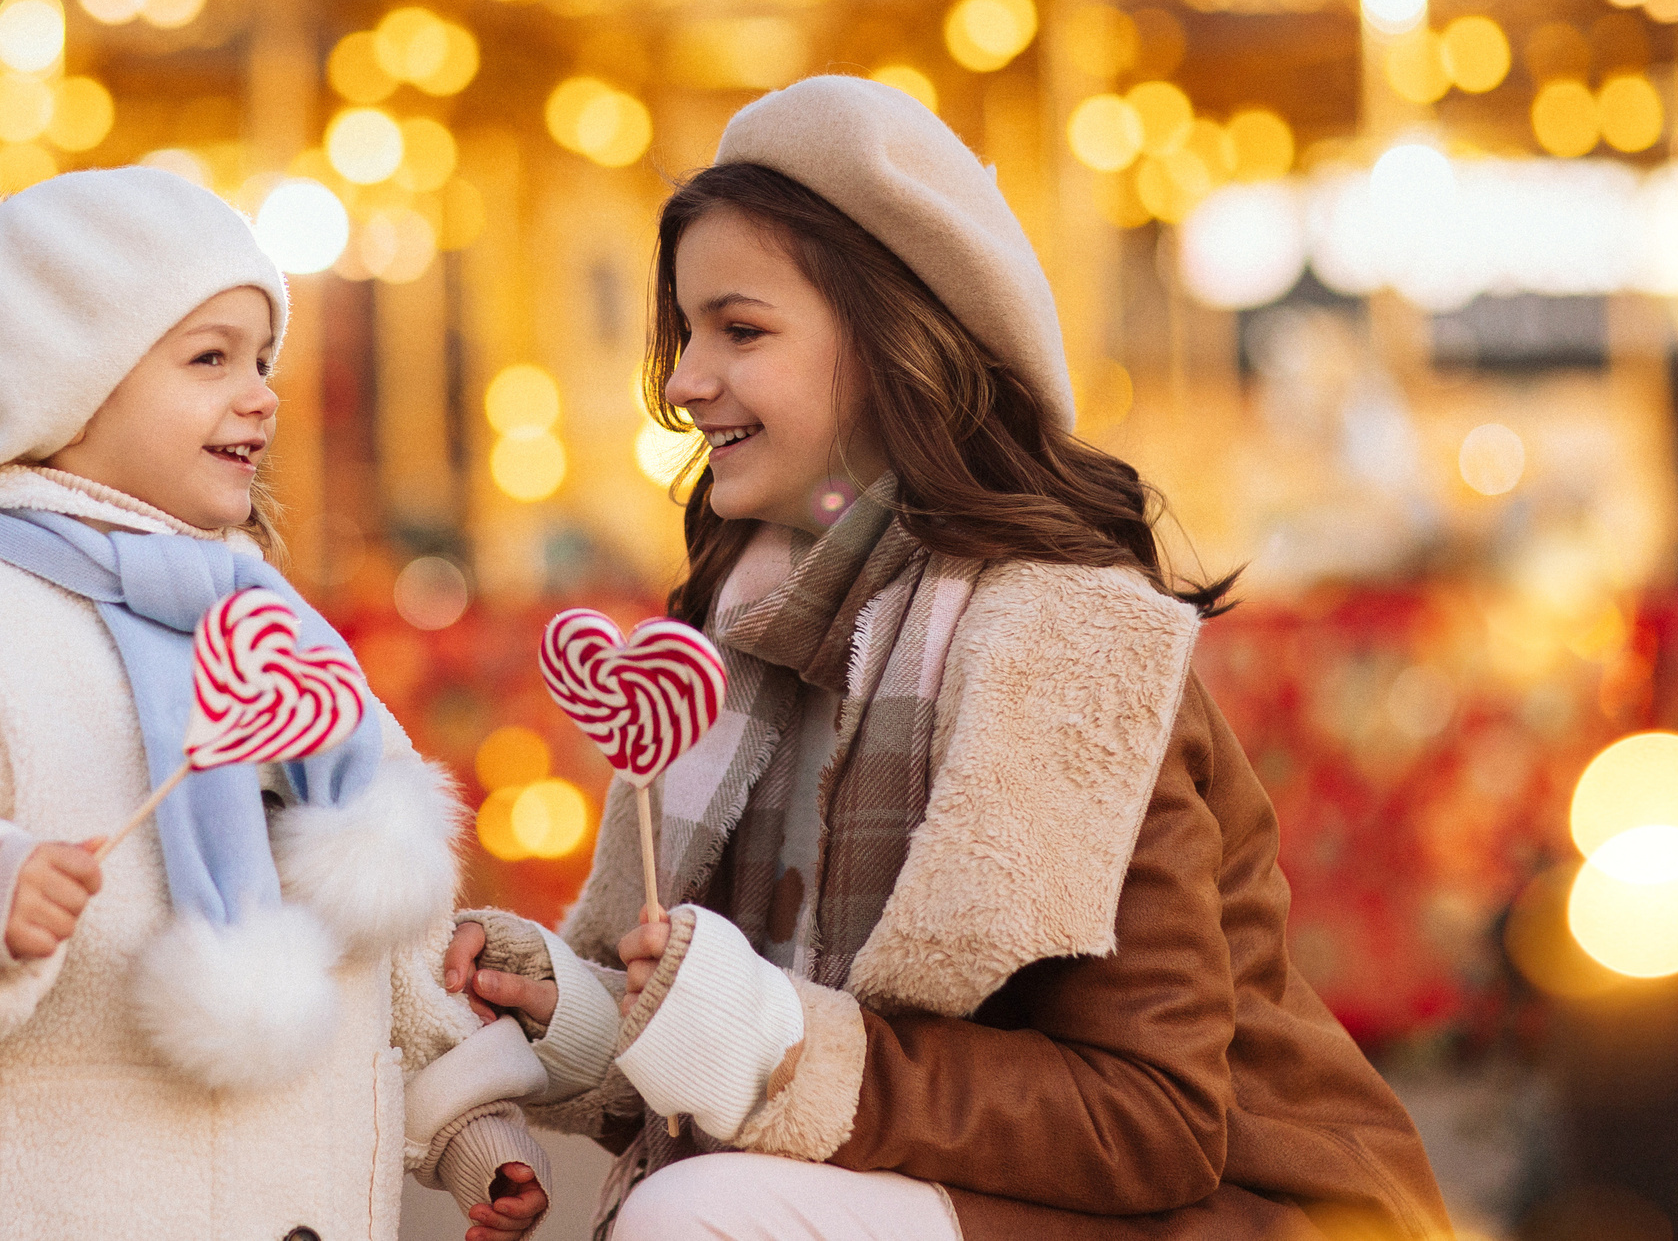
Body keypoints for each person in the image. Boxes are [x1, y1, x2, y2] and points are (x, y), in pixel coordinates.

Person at [443, 77, 1450, 1241]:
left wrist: (772, 1043)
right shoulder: (745, 645)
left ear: (890, 343)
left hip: (1248, 1214)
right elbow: (742, 1042)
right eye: (686, 334)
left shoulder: (1059, 642)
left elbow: (1158, 1121)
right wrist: (574, 1010)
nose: (683, 383)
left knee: (706, 1217)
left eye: (742, 329)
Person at [0, 168, 549, 1241]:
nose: (260, 392)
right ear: (59, 382)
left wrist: (469, 1131)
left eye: (262, 358)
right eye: (208, 358)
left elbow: (392, 939)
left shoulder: (274, 633)